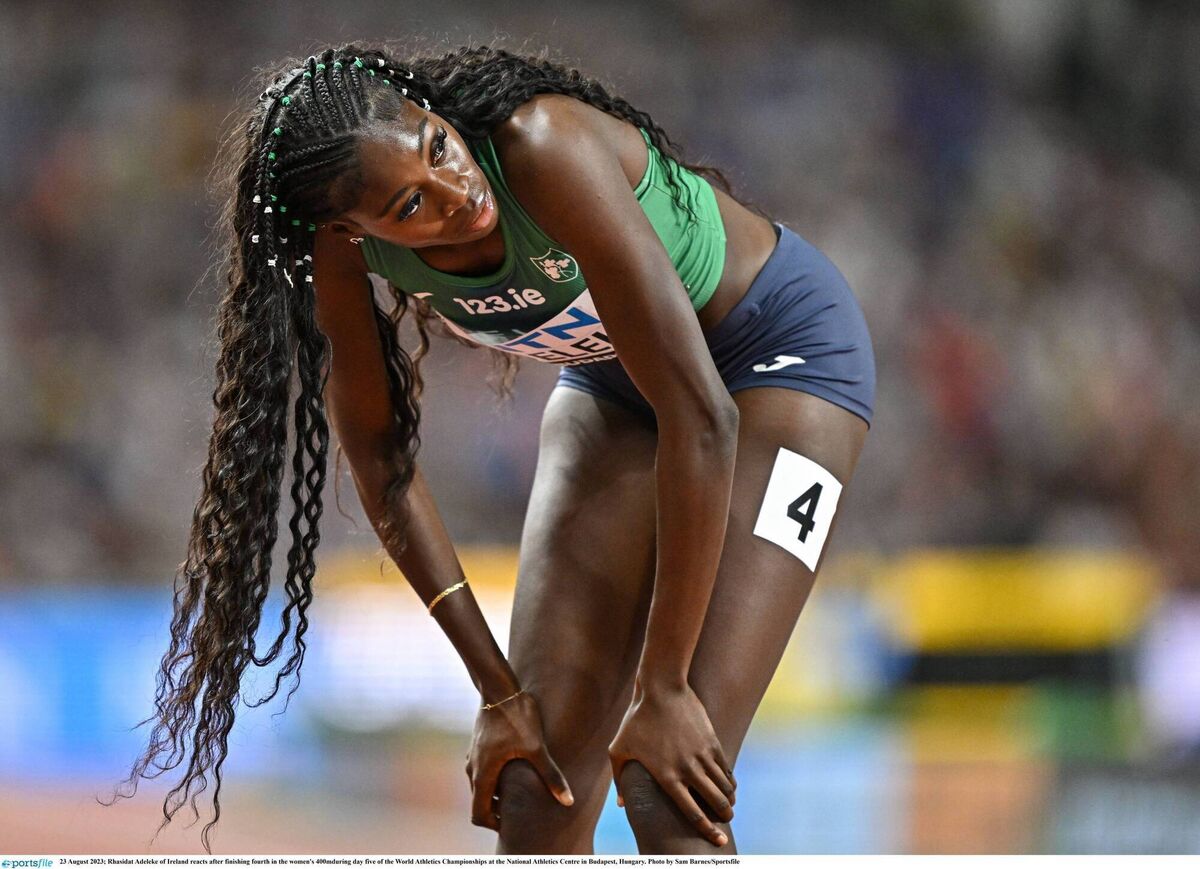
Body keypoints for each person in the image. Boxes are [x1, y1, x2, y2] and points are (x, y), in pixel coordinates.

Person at [110, 43, 875, 855]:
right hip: (615, 386)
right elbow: (379, 459)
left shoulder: (542, 148)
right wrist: (496, 690)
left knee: (668, 791)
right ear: (347, 230)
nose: (458, 194)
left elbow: (704, 417)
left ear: (429, 111)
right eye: (410, 209)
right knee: (534, 794)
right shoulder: (339, 252)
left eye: (438, 148)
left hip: (781, 359)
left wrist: (666, 684)